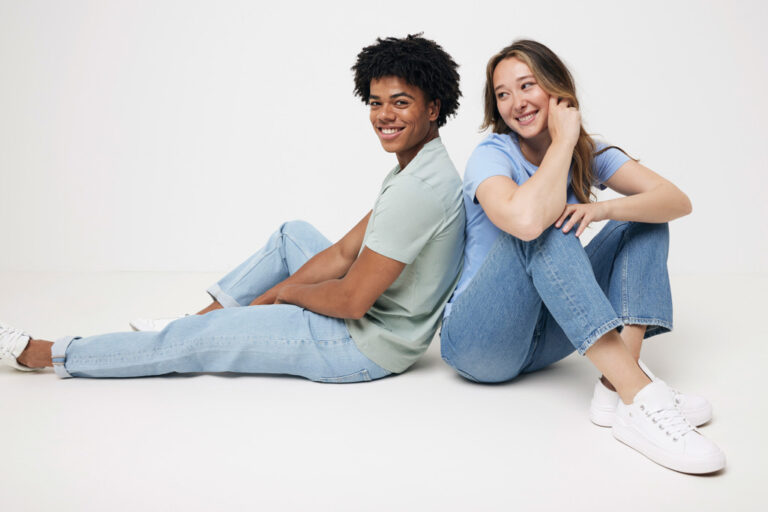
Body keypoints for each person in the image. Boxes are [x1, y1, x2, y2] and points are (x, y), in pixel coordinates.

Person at [0, 34, 465, 384]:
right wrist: (273, 295)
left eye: (401, 103)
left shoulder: (418, 189)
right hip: (372, 315)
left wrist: (285, 294)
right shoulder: (419, 167)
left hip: (363, 345)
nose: (385, 116)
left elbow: (351, 299)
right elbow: (345, 253)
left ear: (432, 108)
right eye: (376, 102)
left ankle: (49, 353)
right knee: (292, 234)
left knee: (196, 346)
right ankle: (203, 319)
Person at [439, 39, 725, 474]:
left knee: (643, 218)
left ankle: (618, 385)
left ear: (556, 90)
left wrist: (603, 207)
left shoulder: (588, 152)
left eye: (527, 86)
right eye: (503, 94)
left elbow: (675, 199)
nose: (516, 102)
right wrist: (565, 139)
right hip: (480, 341)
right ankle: (642, 395)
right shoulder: (491, 156)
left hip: (547, 341)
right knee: (544, 224)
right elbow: (526, 220)